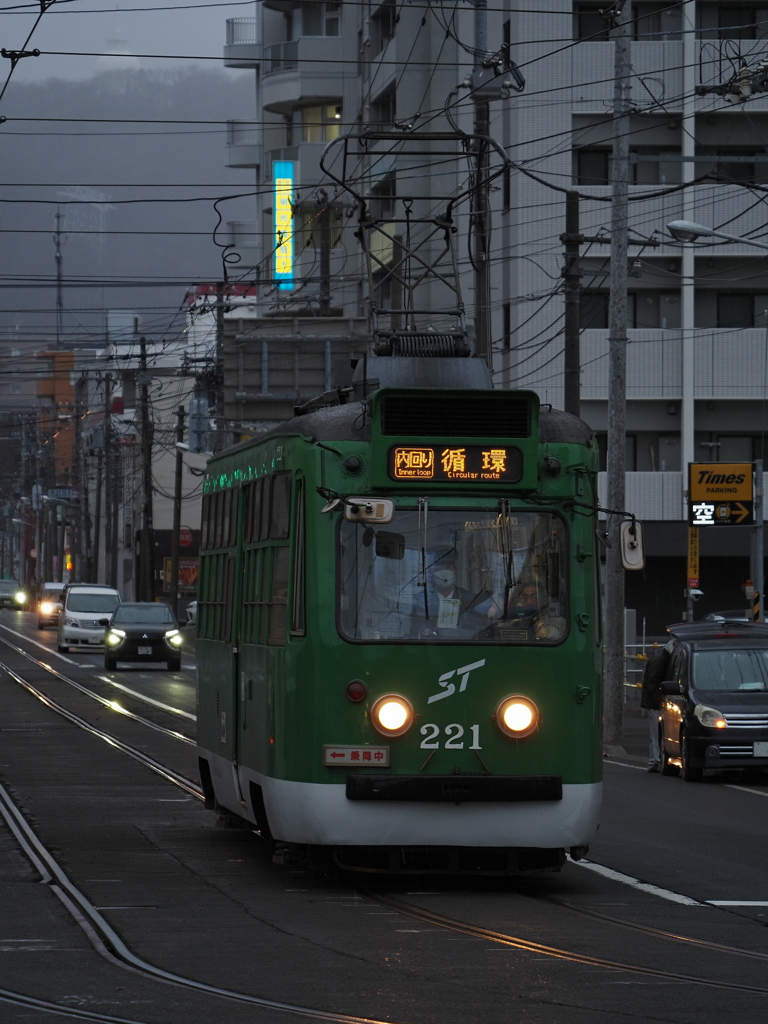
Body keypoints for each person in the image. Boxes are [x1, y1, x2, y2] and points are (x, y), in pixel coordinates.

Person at [641, 640, 674, 772]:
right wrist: (659, 700)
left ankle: (654, 760)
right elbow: (652, 683)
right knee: (656, 733)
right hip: (654, 703)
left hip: (653, 702)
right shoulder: (661, 661)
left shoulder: (659, 660)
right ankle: (655, 760)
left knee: (655, 733)